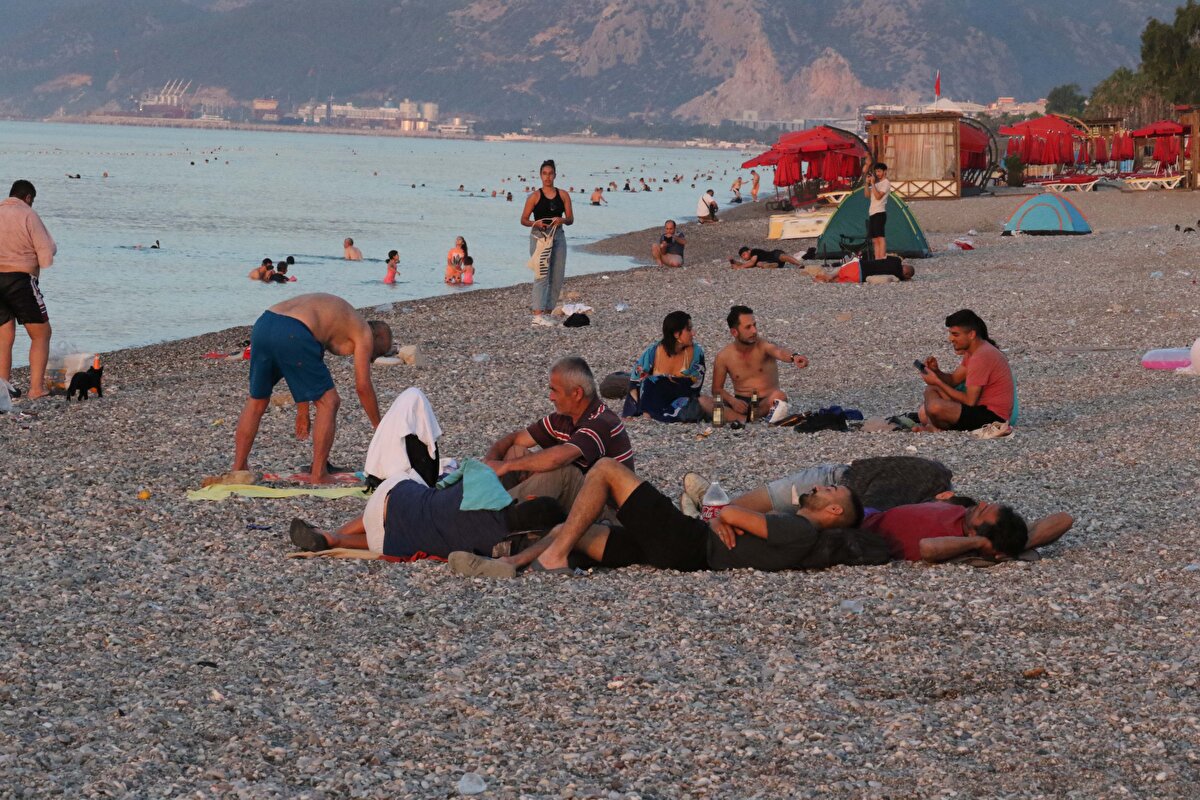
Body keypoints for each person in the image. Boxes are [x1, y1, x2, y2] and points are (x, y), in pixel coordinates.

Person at [448, 457, 878, 577]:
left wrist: (720, 517)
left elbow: (726, 510)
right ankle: (512, 564)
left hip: (688, 544)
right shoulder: (797, 530)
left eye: (831, 489)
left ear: (835, 511)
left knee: (604, 470)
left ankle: (553, 557)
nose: (822, 486)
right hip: (684, 549)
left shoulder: (800, 527)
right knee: (576, 528)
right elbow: (731, 516)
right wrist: (722, 517)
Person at [227, 293, 393, 484]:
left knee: (257, 400)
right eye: (377, 352)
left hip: (264, 325)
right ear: (378, 336)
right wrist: (379, 428)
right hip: (294, 332)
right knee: (329, 402)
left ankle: (238, 468)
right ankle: (319, 474)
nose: (371, 359)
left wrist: (303, 410)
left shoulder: (338, 317)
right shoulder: (363, 331)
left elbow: (304, 365)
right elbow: (363, 386)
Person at [288, 467, 566, 560]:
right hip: (389, 544)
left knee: (409, 501)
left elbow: (454, 475)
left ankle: (332, 533)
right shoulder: (496, 546)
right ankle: (335, 539)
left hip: (389, 500)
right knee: (413, 532)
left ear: (528, 498)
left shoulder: (485, 485)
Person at [483, 356, 632, 512]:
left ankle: (494, 512)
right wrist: (490, 461)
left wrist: (506, 466)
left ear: (576, 393)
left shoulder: (602, 422)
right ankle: (501, 510)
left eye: (554, 390)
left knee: (562, 473)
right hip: (580, 500)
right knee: (515, 451)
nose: (551, 397)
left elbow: (558, 458)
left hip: (605, 512)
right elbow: (516, 438)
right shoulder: (565, 418)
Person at [861, 499, 1073, 563]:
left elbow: (927, 549)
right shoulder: (969, 520)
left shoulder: (952, 541)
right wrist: (1015, 544)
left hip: (858, 525)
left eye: (982, 511)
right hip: (877, 509)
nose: (980, 503)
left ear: (975, 534)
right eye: (986, 505)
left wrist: (980, 545)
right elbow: (1065, 518)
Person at [0, 180, 57, 400]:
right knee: (42, 334)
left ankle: (4, 388)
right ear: (28, 198)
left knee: (4, 335)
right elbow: (47, 250)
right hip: (20, 279)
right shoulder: (27, 214)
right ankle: (36, 389)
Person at [917, 309, 1015, 432]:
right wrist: (937, 372)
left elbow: (970, 401)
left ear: (971, 334)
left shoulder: (982, 356)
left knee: (935, 407)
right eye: (950, 334)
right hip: (979, 409)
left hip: (993, 418)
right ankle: (935, 425)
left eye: (955, 334)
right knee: (930, 390)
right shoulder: (973, 352)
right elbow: (953, 380)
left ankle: (937, 426)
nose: (950, 339)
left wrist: (937, 381)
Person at [712, 305, 808, 424]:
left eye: (754, 325)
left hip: (766, 401)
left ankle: (744, 417)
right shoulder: (723, 356)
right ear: (734, 332)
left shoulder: (763, 346)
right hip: (741, 402)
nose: (754, 331)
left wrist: (794, 356)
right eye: (748, 327)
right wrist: (733, 401)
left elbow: (779, 351)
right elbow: (716, 389)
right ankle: (745, 417)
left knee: (780, 396)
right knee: (708, 402)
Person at [622, 311, 713, 423]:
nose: (693, 333)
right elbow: (636, 380)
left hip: (681, 400)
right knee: (650, 382)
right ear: (676, 334)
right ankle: (649, 411)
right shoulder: (653, 351)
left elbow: (695, 384)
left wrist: (667, 382)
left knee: (703, 403)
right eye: (689, 329)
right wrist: (632, 410)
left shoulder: (697, 353)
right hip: (654, 401)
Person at [520, 159, 574, 327]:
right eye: (545, 174)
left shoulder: (563, 195)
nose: (547, 177)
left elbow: (571, 219)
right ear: (540, 175)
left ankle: (548, 312)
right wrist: (536, 223)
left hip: (558, 236)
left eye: (550, 173)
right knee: (541, 275)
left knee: (557, 275)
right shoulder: (534, 196)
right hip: (539, 237)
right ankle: (537, 315)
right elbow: (523, 219)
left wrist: (562, 220)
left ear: (555, 175)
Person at [811, 255, 914, 283]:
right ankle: (827, 279)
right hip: (860, 278)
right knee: (838, 280)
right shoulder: (898, 277)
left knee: (837, 271)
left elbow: (882, 256)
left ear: (905, 265)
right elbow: (902, 277)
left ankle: (825, 276)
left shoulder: (896, 260)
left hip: (859, 265)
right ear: (907, 275)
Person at [864, 162, 891, 261]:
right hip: (872, 213)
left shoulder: (886, 183)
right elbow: (867, 195)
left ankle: (882, 258)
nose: (877, 173)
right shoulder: (877, 184)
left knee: (880, 237)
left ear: (885, 171)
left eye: (879, 171)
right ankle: (877, 258)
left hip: (880, 212)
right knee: (874, 239)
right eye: (876, 171)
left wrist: (872, 184)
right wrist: (867, 184)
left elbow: (878, 196)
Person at [729, 247, 801, 269]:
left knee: (784, 257)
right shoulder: (754, 260)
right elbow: (745, 264)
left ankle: (799, 264)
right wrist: (734, 262)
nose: (744, 257)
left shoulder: (754, 252)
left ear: (749, 251)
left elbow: (750, 263)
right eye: (742, 257)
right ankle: (769, 266)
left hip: (773, 255)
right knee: (759, 264)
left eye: (744, 255)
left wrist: (738, 267)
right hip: (775, 263)